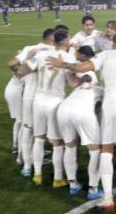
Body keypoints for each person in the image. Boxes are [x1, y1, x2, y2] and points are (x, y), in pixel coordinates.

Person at [48, 32, 116, 211]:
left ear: (112, 43)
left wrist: (64, 64)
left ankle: (108, 197)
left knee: (107, 148)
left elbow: (83, 67)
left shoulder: (105, 54)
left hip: (112, 101)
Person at [25, 30, 76, 187]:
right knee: (57, 142)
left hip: (38, 100)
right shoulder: (67, 57)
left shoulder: (41, 55)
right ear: (67, 41)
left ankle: (37, 175)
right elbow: (71, 79)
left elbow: (28, 67)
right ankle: (58, 178)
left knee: (39, 138)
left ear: (53, 41)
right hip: (55, 102)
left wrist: (28, 56)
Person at [56, 46, 104, 199]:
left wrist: (71, 74)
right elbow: (88, 79)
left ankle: (73, 184)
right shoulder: (98, 85)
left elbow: (74, 80)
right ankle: (93, 189)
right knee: (95, 149)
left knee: (70, 146)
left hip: (63, 109)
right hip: (82, 111)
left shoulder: (76, 72)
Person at [10, 29, 56, 177]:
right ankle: (32, 164)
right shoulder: (55, 50)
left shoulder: (30, 48)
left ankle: (24, 163)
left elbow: (11, 63)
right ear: (51, 38)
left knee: (27, 128)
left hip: (29, 95)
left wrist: (20, 73)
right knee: (41, 133)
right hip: (45, 96)